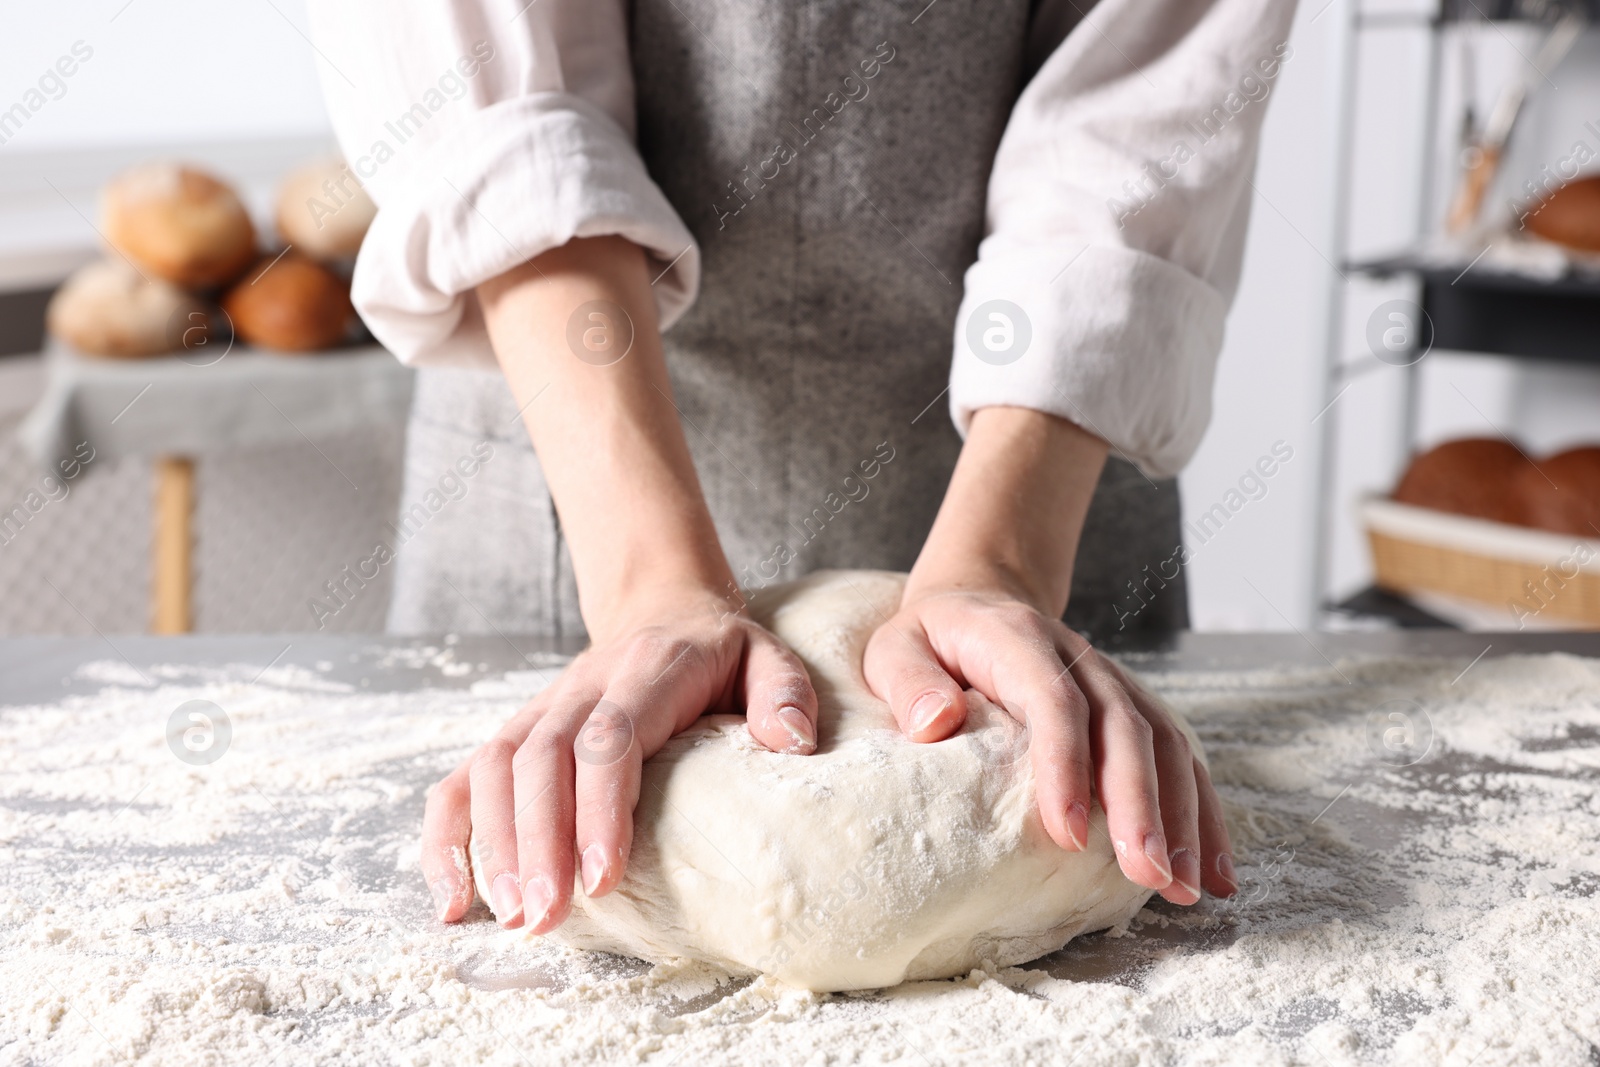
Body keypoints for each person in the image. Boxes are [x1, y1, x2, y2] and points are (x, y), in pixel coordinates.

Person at [307, 0, 1295, 933]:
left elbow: (1139, 113)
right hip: (568, 460)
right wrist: (648, 584)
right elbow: (490, 90)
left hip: (1046, 466)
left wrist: (1005, 562)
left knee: (1087, 815)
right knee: (557, 841)